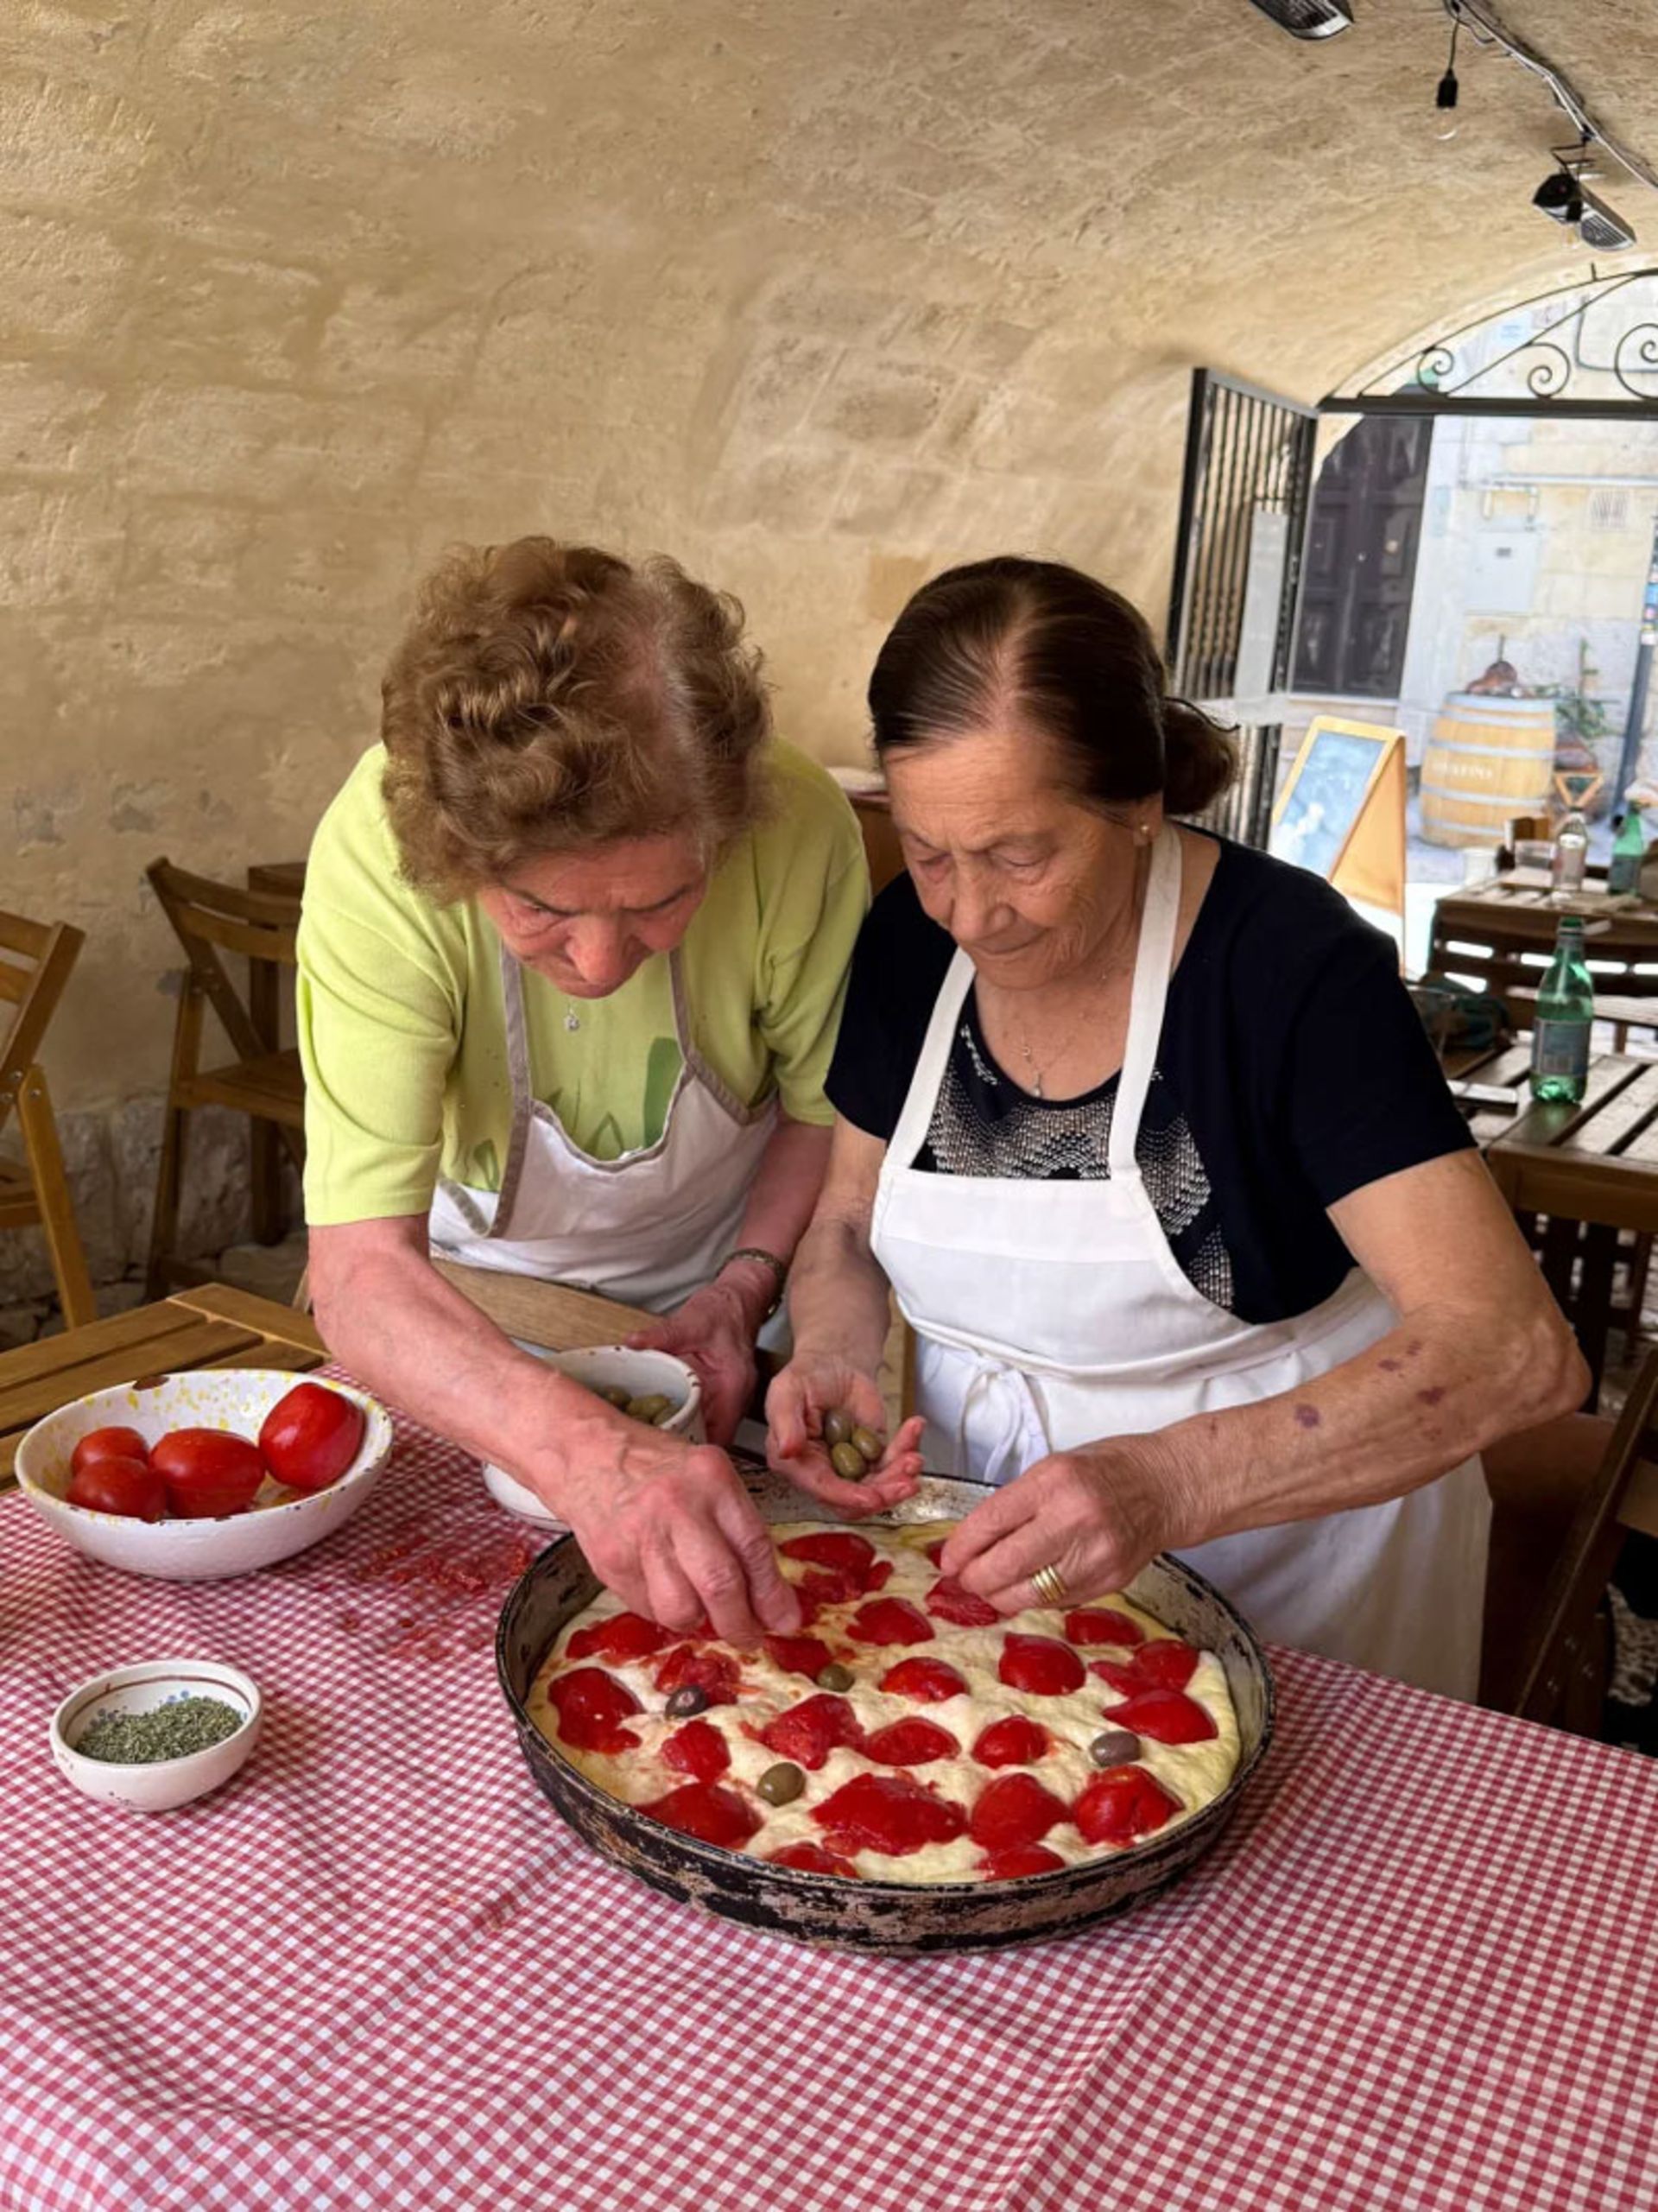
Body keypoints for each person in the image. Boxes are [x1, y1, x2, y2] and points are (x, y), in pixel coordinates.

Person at [766, 556, 1587, 1696]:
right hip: (995, 1549)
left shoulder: (1287, 967)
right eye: (927, 848)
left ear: (1140, 804)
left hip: (1293, 1572)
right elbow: (847, 1225)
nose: (971, 909)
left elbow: (1512, 1351)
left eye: (1021, 853)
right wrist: (832, 1349)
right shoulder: (912, 939)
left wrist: (1167, 1486)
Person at [299, 536, 910, 1645]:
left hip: (710, 1298)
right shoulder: (374, 853)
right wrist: (591, 1451)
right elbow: (359, 1272)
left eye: (659, 904)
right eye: (541, 910)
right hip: (458, 1317)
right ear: (457, 858)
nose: (598, 962)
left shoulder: (800, 828)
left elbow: (826, 1117)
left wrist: (740, 1293)